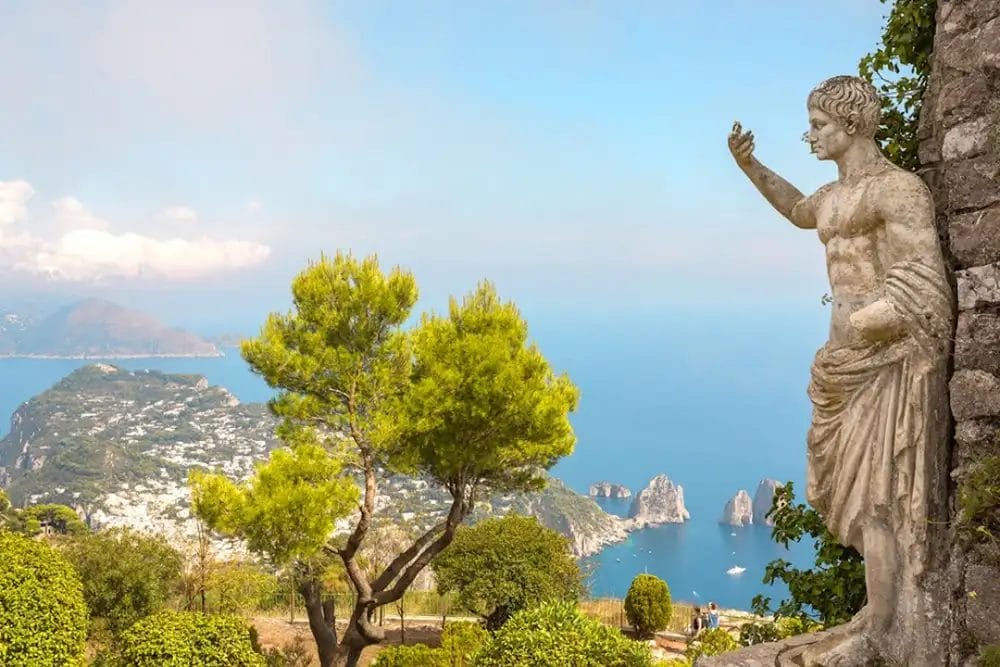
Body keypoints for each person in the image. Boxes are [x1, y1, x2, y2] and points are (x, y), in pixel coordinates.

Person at [728, 75, 953, 666]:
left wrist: (873, 320)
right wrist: (750, 167)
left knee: (879, 493)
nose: (811, 136)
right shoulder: (830, 199)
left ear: (851, 123)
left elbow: (925, 280)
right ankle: (877, 617)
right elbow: (796, 209)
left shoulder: (898, 191)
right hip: (842, 367)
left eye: (820, 125)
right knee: (851, 496)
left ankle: (883, 629)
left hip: (887, 363)